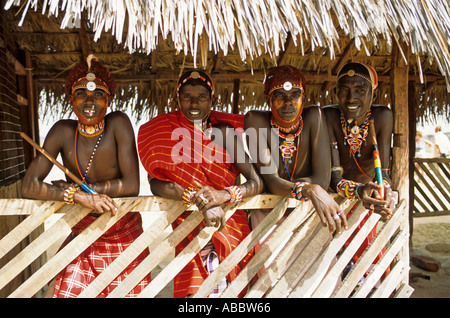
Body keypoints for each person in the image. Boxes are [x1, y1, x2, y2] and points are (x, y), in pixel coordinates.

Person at [21, 54, 150, 297]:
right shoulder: (62, 131)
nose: (89, 101)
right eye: (81, 94)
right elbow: (29, 186)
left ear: (108, 99)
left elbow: (131, 185)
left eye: (98, 95)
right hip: (83, 232)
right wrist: (74, 196)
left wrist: (86, 192)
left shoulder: (118, 124)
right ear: (71, 98)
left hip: (122, 231)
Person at [137, 69, 263, 298]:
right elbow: (156, 182)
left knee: (234, 292)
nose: (194, 102)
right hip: (189, 228)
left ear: (212, 99)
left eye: (201, 96)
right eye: (187, 96)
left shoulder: (224, 133)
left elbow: (256, 182)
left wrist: (224, 195)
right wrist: (199, 199)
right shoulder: (163, 132)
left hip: (230, 225)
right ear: (177, 99)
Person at [244, 65, 347, 237]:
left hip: (308, 210)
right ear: (267, 99)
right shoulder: (256, 121)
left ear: (304, 98)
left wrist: (292, 187)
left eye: (295, 95)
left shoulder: (314, 116)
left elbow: (322, 180)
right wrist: (309, 189)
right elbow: (272, 180)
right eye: (280, 96)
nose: (288, 103)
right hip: (269, 213)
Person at [323, 61, 395, 281]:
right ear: (335, 93)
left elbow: (383, 171)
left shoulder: (381, 116)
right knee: (334, 269)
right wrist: (359, 190)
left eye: (360, 91)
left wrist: (386, 190)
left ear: (373, 93)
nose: (351, 98)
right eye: (344, 90)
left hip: (369, 200)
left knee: (369, 269)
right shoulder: (329, 117)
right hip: (337, 200)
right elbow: (334, 179)